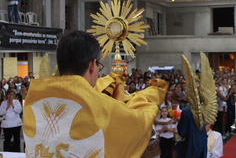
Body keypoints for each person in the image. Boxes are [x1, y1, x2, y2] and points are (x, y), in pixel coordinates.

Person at [23, 30, 168, 157]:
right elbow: (140, 121)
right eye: (99, 64)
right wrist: (156, 91)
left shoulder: (33, 104)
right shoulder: (102, 108)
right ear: (93, 65)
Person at [172, 90, 207, 158]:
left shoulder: (186, 110)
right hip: (202, 137)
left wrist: (179, 122)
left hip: (192, 140)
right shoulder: (197, 107)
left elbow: (182, 131)